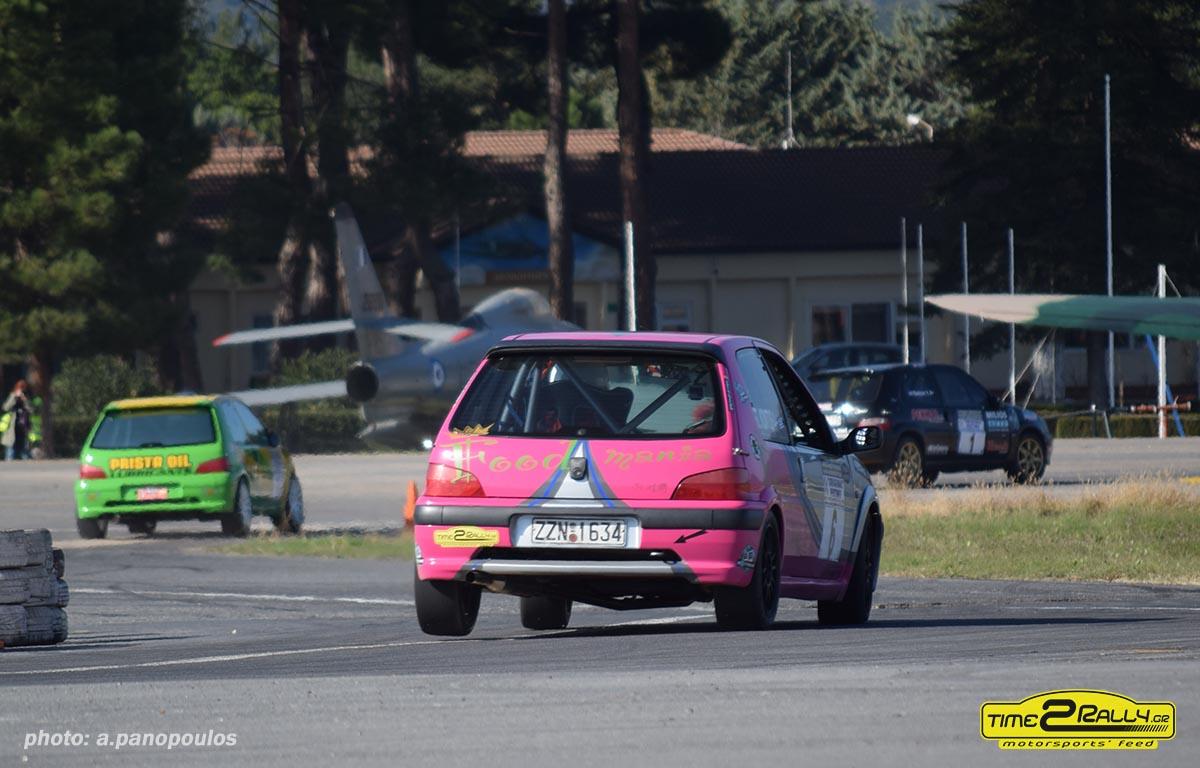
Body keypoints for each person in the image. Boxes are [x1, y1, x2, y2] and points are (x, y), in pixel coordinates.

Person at [2, 380, 33, 461]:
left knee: (24, 448)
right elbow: (5, 407)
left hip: (23, 427)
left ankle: (25, 463)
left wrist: (24, 399)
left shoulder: (26, 397)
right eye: (20, 388)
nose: (22, 390)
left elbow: (31, 410)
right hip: (12, 427)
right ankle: (9, 461)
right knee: (10, 448)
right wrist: (14, 397)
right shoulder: (12, 395)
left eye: (23, 388)